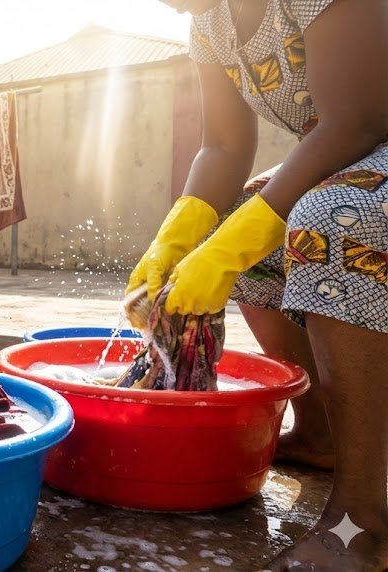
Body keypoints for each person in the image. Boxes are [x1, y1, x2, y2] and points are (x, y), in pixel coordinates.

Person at [127, 0, 388, 569]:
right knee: (239, 219)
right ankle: (317, 433)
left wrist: (224, 253)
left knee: (329, 218)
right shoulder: (210, 23)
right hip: (363, 149)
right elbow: (222, 146)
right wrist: (176, 241)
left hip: (370, 137)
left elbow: (359, 119)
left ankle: (363, 524)